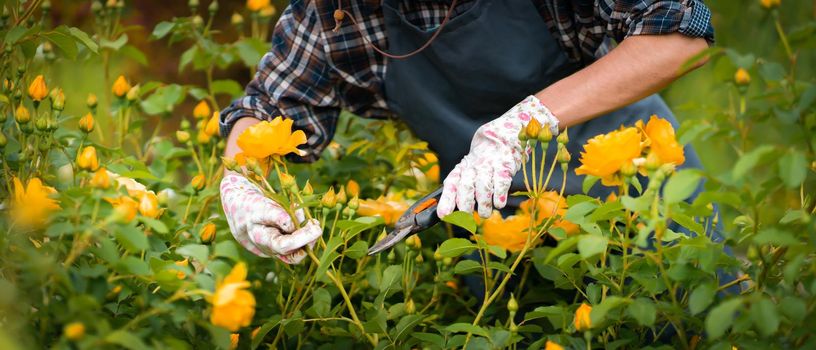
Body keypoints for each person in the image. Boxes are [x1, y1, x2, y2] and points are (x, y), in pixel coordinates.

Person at [219, 0, 715, 264]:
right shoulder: (335, 10)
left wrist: (523, 124)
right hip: (485, 231)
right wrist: (243, 183)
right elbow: (266, 107)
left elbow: (679, 37)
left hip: (629, 196)